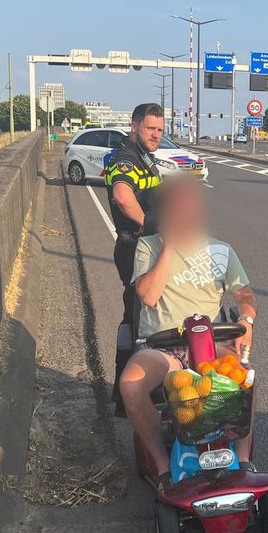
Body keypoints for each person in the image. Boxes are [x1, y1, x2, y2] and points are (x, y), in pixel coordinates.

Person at [119, 176, 258, 488]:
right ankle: (163, 465)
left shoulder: (221, 251)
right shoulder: (148, 246)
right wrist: (169, 245)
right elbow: (149, 295)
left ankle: (244, 460)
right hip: (162, 347)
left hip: (211, 344)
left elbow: (245, 296)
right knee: (131, 385)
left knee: (244, 380)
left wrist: (246, 321)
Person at [107, 103, 165, 410]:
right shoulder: (127, 158)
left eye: (159, 129)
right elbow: (122, 195)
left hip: (142, 247)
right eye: (150, 129)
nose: (156, 134)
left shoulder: (145, 158)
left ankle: (131, 391)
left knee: (141, 318)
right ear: (134, 126)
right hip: (133, 248)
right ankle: (126, 396)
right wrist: (150, 225)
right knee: (138, 321)